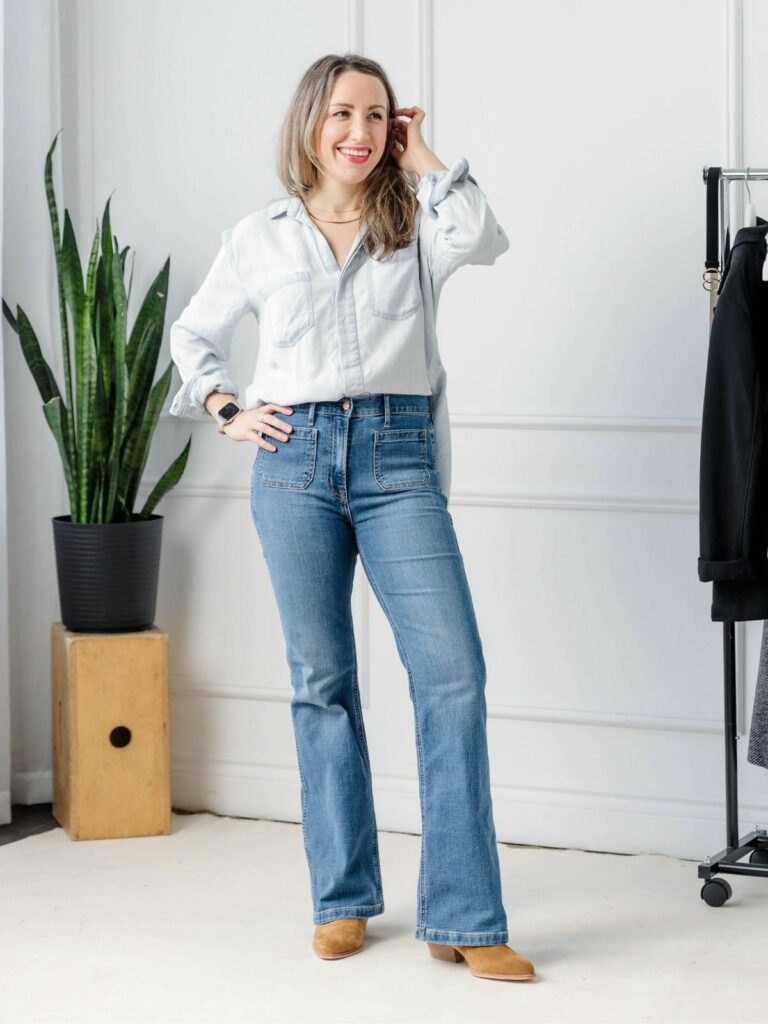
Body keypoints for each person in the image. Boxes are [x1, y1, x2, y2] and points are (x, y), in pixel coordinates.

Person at [168, 52, 536, 984]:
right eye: (342, 114)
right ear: (310, 124)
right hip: (291, 463)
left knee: (452, 674)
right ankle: (342, 899)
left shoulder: (415, 223)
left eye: (377, 117)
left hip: (396, 455)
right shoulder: (258, 236)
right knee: (321, 682)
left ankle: (464, 912)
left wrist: (426, 157)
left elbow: (487, 236)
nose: (360, 133)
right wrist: (226, 408)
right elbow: (195, 333)